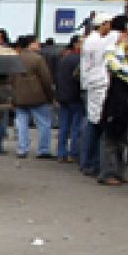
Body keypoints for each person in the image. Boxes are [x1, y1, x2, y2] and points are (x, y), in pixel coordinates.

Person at [98, 16, 128, 186]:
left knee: (123, 138)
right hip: (114, 97)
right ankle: (107, 172)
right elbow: (124, 72)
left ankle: (119, 172)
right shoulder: (110, 50)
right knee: (110, 137)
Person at [79, 17, 117, 176]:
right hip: (97, 84)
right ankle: (89, 162)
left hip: (92, 83)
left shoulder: (90, 41)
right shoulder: (96, 41)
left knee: (92, 123)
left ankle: (89, 162)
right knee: (95, 124)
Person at [10, 35, 56, 159]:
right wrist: (50, 96)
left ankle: (22, 149)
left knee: (21, 123)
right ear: (30, 44)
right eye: (36, 43)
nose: (38, 45)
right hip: (37, 96)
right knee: (43, 123)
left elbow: (10, 78)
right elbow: (46, 79)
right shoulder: (37, 59)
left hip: (19, 96)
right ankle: (43, 150)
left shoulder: (15, 58)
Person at [54, 35, 84, 163]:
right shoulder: (80, 60)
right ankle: (74, 152)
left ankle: (61, 152)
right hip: (75, 96)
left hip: (63, 95)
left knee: (64, 126)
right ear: (77, 44)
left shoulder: (64, 58)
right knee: (76, 127)